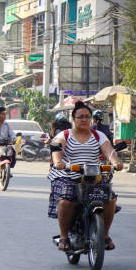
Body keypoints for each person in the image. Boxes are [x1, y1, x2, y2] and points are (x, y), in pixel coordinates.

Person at [48, 101, 123, 251]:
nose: (84, 120)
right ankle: (64, 236)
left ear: (91, 119)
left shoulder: (98, 135)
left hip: (94, 174)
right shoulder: (65, 134)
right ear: (73, 118)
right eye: (80, 117)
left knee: (110, 198)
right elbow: (57, 149)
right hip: (68, 174)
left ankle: (105, 235)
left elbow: (109, 151)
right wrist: (58, 162)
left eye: (87, 117)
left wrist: (116, 162)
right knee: (66, 200)